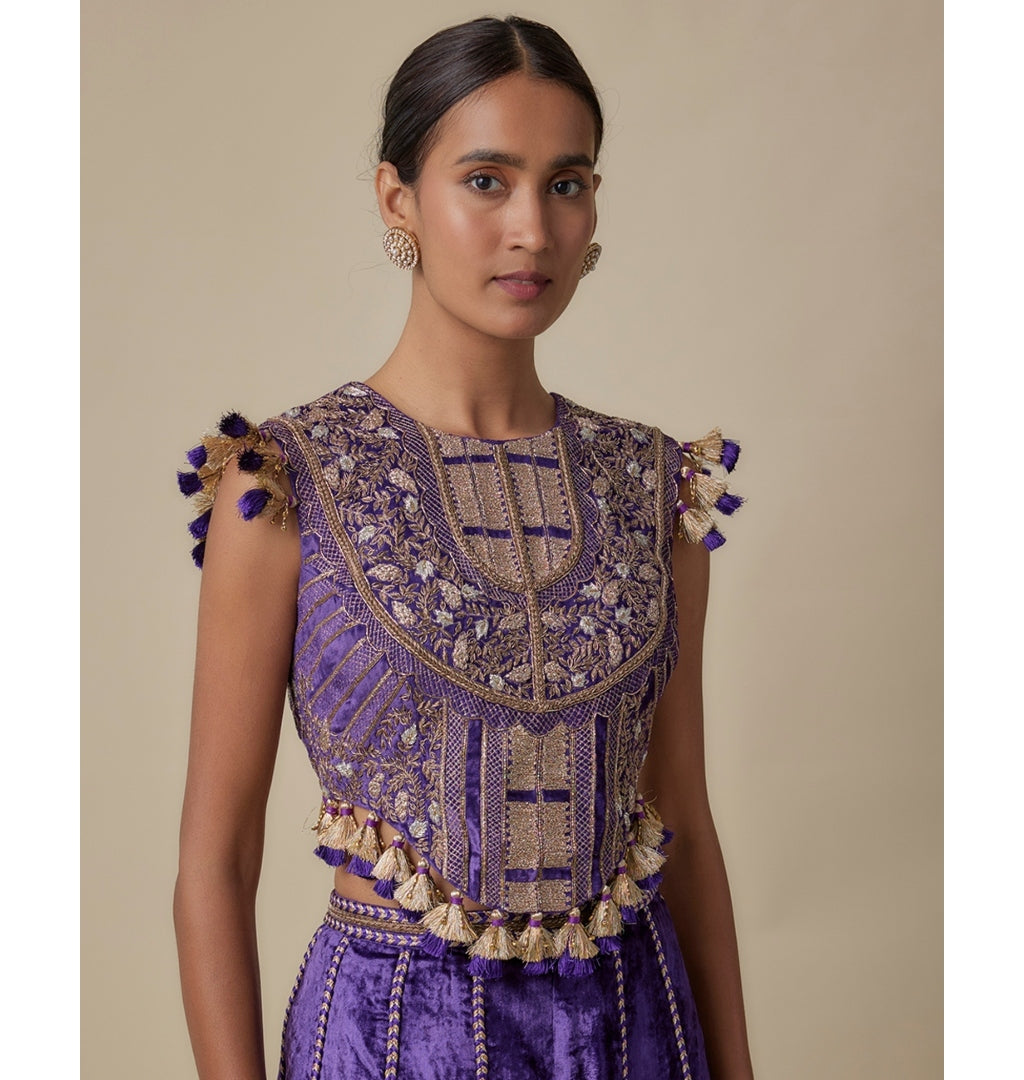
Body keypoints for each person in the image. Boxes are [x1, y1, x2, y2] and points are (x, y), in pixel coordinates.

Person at [173, 15, 754, 1080]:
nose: (532, 228)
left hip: (636, 1032)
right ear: (397, 199)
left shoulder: (653, 488)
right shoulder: (286, 484)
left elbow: (685, 821)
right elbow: (216, 859)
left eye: (566, 184)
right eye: (486, 181)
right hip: (388, 1041)